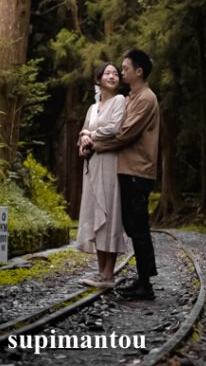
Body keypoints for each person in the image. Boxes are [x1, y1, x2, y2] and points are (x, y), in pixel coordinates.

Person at [84, 48, 159, 301]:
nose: (121, 71)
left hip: (138, 170)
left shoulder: (146, 98)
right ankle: (141, 280)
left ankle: (145, 284)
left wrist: (94, 145)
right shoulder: (131, 98)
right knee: (132, 226)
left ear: (139, 72)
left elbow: (126, 134)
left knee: (138, 228)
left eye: (125, 68)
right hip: (128, 170)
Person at [75, 62, 128, 287]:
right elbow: (84, 136)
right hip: (92, 164)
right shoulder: (92, 108)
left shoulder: (119, 101)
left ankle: (109, 273)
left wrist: (89, 133)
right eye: (107, 73)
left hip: (109, 161)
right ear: (98, 80)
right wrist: (82, 142)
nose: (112, 76)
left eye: (116, 73)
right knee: (94, 212)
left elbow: (114, 128)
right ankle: (100, 272)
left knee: (109, 212)